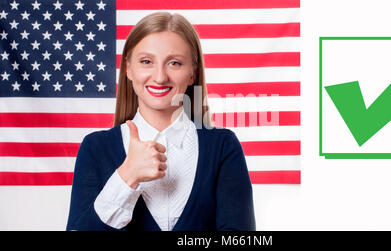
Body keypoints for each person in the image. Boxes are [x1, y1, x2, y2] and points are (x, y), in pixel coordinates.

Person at [66, 12, 256, 231]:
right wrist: (126, 177)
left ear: (193, 73)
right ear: (128, 68)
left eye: (174, 63)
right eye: (146, 61)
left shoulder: (222, 146)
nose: (159, 77)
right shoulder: (95, 148)